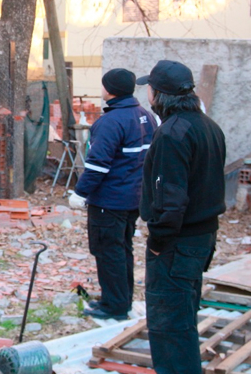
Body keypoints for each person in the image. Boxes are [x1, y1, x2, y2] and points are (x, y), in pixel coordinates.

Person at [137, 60, 226, 374]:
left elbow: (170, 200)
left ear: (159, 94)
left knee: (170, 327)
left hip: (178, 242)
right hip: (201, 238)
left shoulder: (173, 134)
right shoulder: (208, 126)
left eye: (150, 87)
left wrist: (159, 241)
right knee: (182, 318)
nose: (147, 92)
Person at [68, 68, 155, 320]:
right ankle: (120, 299)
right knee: (121, 249)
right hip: (133, 199)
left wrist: (80, 193)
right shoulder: (145, 117)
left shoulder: (109, 122)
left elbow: (97, 165)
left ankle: (114, 306)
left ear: (109, 90)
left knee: (108, 251)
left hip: (110, 200)